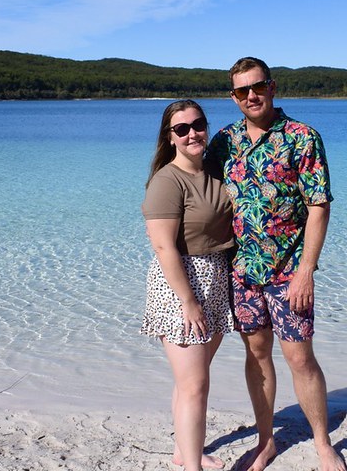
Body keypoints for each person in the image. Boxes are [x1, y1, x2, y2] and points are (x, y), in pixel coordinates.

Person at [207, 57, 347, 471]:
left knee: (300, 357)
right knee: (256, 354)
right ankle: (266, 441)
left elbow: (318, 207)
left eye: (258, 86)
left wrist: (307, 270)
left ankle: (323, 443)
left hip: (289, 270)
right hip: (241, 270)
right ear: (233, 97)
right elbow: (195, 187)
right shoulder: (224, 141)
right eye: (241, 91)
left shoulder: (302, 138)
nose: (251, 96)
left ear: (272, 87)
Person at [141, 99, 235, 471]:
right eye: (182, 128)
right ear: (170, 136)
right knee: (196, 385)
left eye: (197, 124)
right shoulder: (168, 180)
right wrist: (188, 301)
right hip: (180, 285)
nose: (192, 132)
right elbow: (163, 247)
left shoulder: (213, 170)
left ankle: (184, 452)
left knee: (189, 381)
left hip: (214, 279)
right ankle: (191, 466)